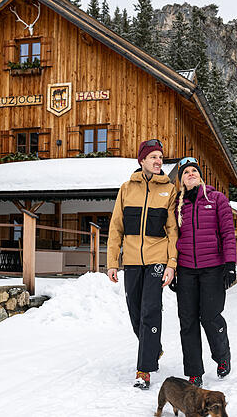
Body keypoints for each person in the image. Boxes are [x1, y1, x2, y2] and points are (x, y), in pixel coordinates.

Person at [107, 139, 178, 389]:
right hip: (133, 260)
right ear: (142, 161)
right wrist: (112, 262)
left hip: (158, 259)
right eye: (153, 157)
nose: (159, 161)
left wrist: (171, 264)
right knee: (134, 310)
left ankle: (144, 370)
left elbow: (172, 230)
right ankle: (153, 347)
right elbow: (116, 227)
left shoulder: (169, 190)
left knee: (150, 310)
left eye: (160, 157)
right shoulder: (126, 189)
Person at [172, 156, 236, 387]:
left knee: (210, 316)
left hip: (213, 269)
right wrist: (173, 269)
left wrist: (230, 265)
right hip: (186, 270)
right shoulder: (177, 205)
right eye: (186, 172)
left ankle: (222, 356)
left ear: (200, 175)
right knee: (187, 321)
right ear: (181, 179)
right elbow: (172, 239)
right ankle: (194, 372)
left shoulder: (217, 199)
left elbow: (228, 233)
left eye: (194, 171)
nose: (191, 174)